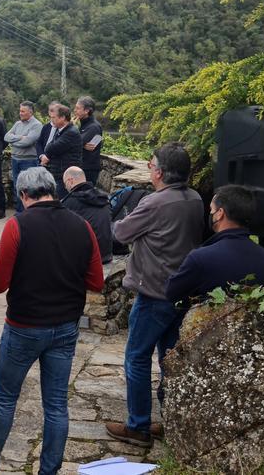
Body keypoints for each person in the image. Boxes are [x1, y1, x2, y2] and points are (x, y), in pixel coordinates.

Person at [0, 167, 104, 475]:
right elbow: (96, 281)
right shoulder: (82, 226)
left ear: (23, 195)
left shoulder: (17, 226)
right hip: (66, 326)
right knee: (55, 406)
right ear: (53, 189)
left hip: (24, 326)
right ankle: (49, 471)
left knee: (5, 399)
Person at [104, 143, 206, 448]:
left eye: (150, 165)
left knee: (136, 358)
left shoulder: (154, 202)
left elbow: (120, 233)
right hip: (182, 293)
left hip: (155, 294)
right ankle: (172, 418)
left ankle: (138, 427)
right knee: (169, 359)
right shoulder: (195, 199)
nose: (149, 170)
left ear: (159, 172)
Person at [164, 184, 264, 304]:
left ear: (220, 213)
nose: (210, 214)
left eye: (211, 209)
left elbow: (172, 293)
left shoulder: (201, 257)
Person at [61, 166, 113, 264]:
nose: (65, 187)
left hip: (87, 258)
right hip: (106, 254)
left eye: (65, 184)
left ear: (70, 181)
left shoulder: (69, 203)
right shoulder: (103, 198)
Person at [4, 101, 42, 213]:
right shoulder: (17, 124)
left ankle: (29, 212)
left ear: (30, 112)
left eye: (23, 111)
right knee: (17, 186)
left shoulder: (37, 125)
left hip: (29, 161)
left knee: (29, 187)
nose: (20, 113)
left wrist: (14, 141)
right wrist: (21, 137)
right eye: (20, 111)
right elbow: (6, 137)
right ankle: (19, 212)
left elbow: (28, 142)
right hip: (15, 159)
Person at [38, 104, 81, 198]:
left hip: (65, 175)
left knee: (62, 203)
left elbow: (50, 148)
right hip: (59, 173)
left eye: (54, 117)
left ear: (62, 118)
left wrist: (49, 150)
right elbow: (50, 147)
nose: (51, 120)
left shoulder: (70, 132)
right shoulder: (61, 130)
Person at [75, 97, 104, 187]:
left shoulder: (93, 127)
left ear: (86, 110)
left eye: (78, 108)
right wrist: (83, 145)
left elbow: (74, 142)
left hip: (88, 169)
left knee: (85, 195)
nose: (75, 110)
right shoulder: (84, 124)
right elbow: (79, 142)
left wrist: (71, 127)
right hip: (82, 166)